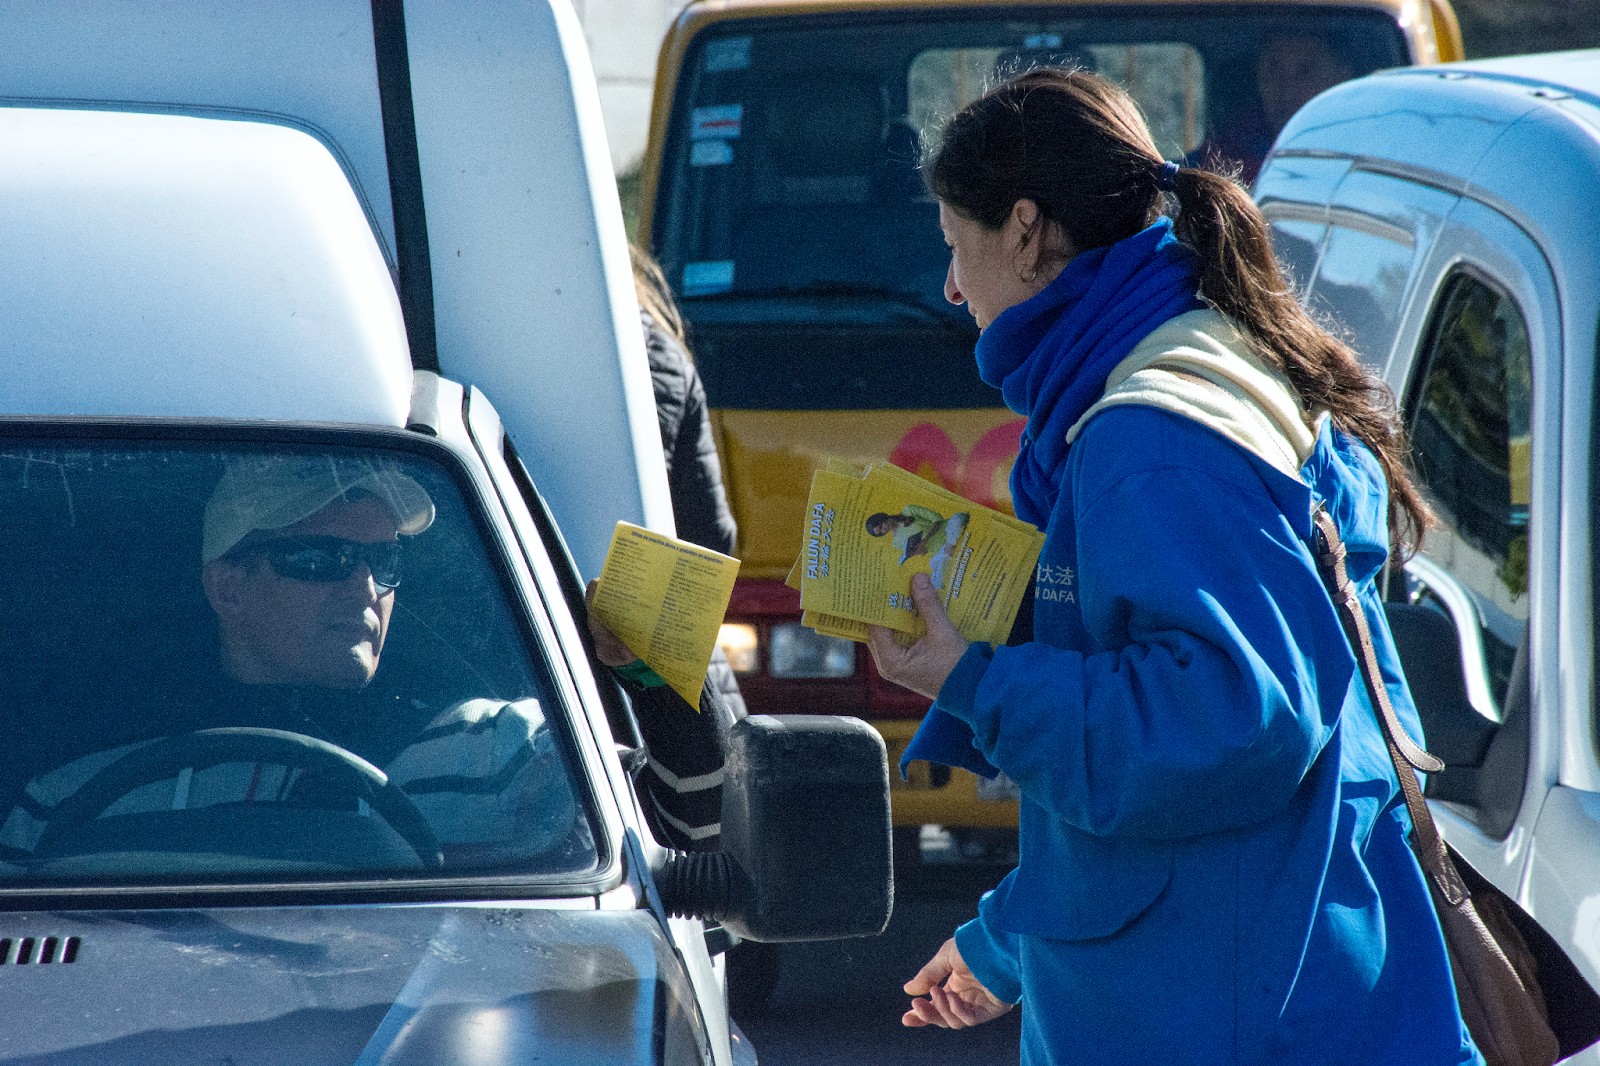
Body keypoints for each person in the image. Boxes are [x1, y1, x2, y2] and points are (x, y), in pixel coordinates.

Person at [868, 69, 1479, 1064]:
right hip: (1273, 978)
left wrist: (973, 679)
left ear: (1024, 229)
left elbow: (1232, 719)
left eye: (953, 246)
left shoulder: (1147, 442)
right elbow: (1201, 800)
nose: (948, 286)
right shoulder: (1213, 360)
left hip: (1224, 1014)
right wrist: (1011, 937)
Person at [1, 455, 573, 864]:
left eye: (384, 561)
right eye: (321, 557)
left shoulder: (488, 746)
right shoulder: (72, 793)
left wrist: (640, 677)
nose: (365, 587)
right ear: (228, 588)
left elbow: (654, 829)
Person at [1189, 32, 1355, 185]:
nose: (1286, 87)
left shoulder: (1365, 153)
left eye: (1305, 71)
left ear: (1342, 78)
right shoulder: (1216, 161)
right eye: (1273, 69)